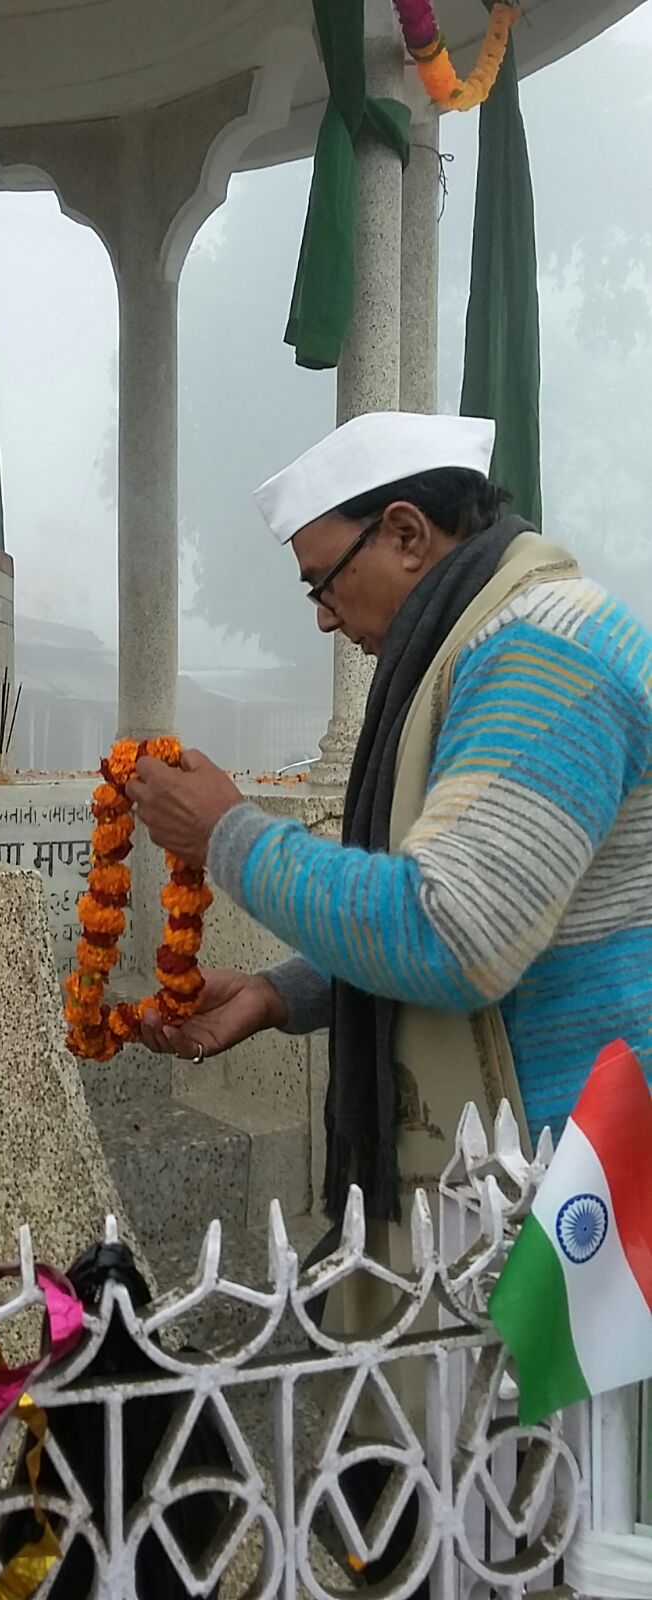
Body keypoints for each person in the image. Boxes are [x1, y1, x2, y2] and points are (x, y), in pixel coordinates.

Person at [127, 411, 652, 1235]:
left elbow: (457, 935)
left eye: (322, 580)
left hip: (567, 1193)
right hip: (516, 1158)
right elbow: (491, 903)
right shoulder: (482, 642)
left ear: (406, 533)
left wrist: (226, 834)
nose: (323, 618)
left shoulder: (546, 648)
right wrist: (280, 993)